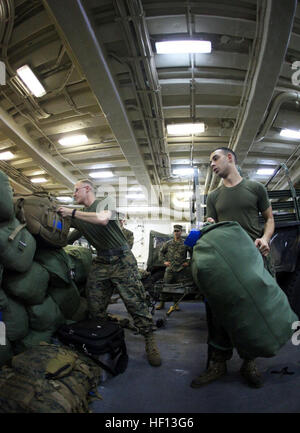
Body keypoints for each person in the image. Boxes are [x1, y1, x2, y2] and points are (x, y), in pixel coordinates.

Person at [190, 147, 275, 389]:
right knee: (218, 313)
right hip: (225, 260)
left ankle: (249, 362)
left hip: (252, 258)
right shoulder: (214, 197)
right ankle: (218, 364)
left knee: (252, 312)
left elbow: (269, 219)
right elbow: (212, 226)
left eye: (215, 158)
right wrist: (209, 224)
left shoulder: (255, 188)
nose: (212, 164)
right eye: (210, 161)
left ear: (230, 158)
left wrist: (265, 239)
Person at [58, 179, 161, 367]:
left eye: (75, 190)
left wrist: (71, 212)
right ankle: (102, 333)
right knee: (95, 305)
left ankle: (149, 339)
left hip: (122, 259)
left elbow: (102, 219)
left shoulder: (105, 202)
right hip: (101, 262)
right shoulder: (78, 218)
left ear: (87, 188)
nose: (73, 194)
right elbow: (65, 239)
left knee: (135, 302)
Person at [156, 224, 192, 311]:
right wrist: (164, 261)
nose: (176, 233)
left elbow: (192, 253)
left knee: (178, 287)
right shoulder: (168, 243)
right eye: (175, 231)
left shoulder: (185, 243)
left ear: (181, 232)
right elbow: (161, 252)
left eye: (178, 231)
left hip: (180, 269)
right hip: (170, 269)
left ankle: (176, 304)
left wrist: (187, 262)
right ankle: (162, 303)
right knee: (165, 286)